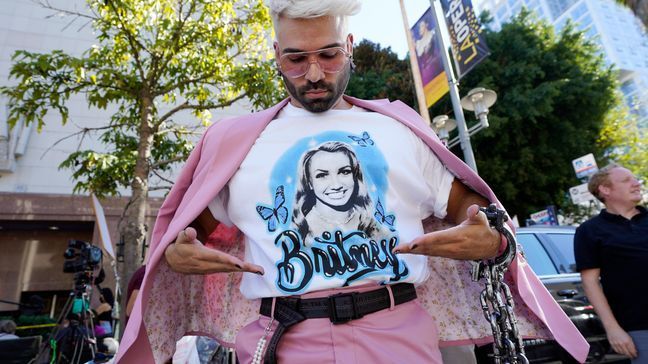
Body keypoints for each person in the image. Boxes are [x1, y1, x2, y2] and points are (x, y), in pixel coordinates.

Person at [116, 1, 588, 363]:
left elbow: (475, 214)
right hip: (281, 340)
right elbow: (183, 240)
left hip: (399, 331)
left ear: (351, 47)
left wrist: (487, 238)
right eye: (296, 59)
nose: (315, 73)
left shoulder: (400, 129)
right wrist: (178, 255)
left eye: (328, 53)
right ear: (275, 55)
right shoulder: (233, 142)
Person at [575, 163, 647, 363]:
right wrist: (612, 328)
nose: (636, 183)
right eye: (626, 180)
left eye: (635, 179)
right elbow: (590, 282)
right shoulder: (589, 231)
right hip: (638, 328)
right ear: (605, 190)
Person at [291, 141, 390, 245]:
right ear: (309, 183)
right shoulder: (301, 230)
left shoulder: (370, 225)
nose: (336, 185)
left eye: (344, 172)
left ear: (355, 177)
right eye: (322, 175)